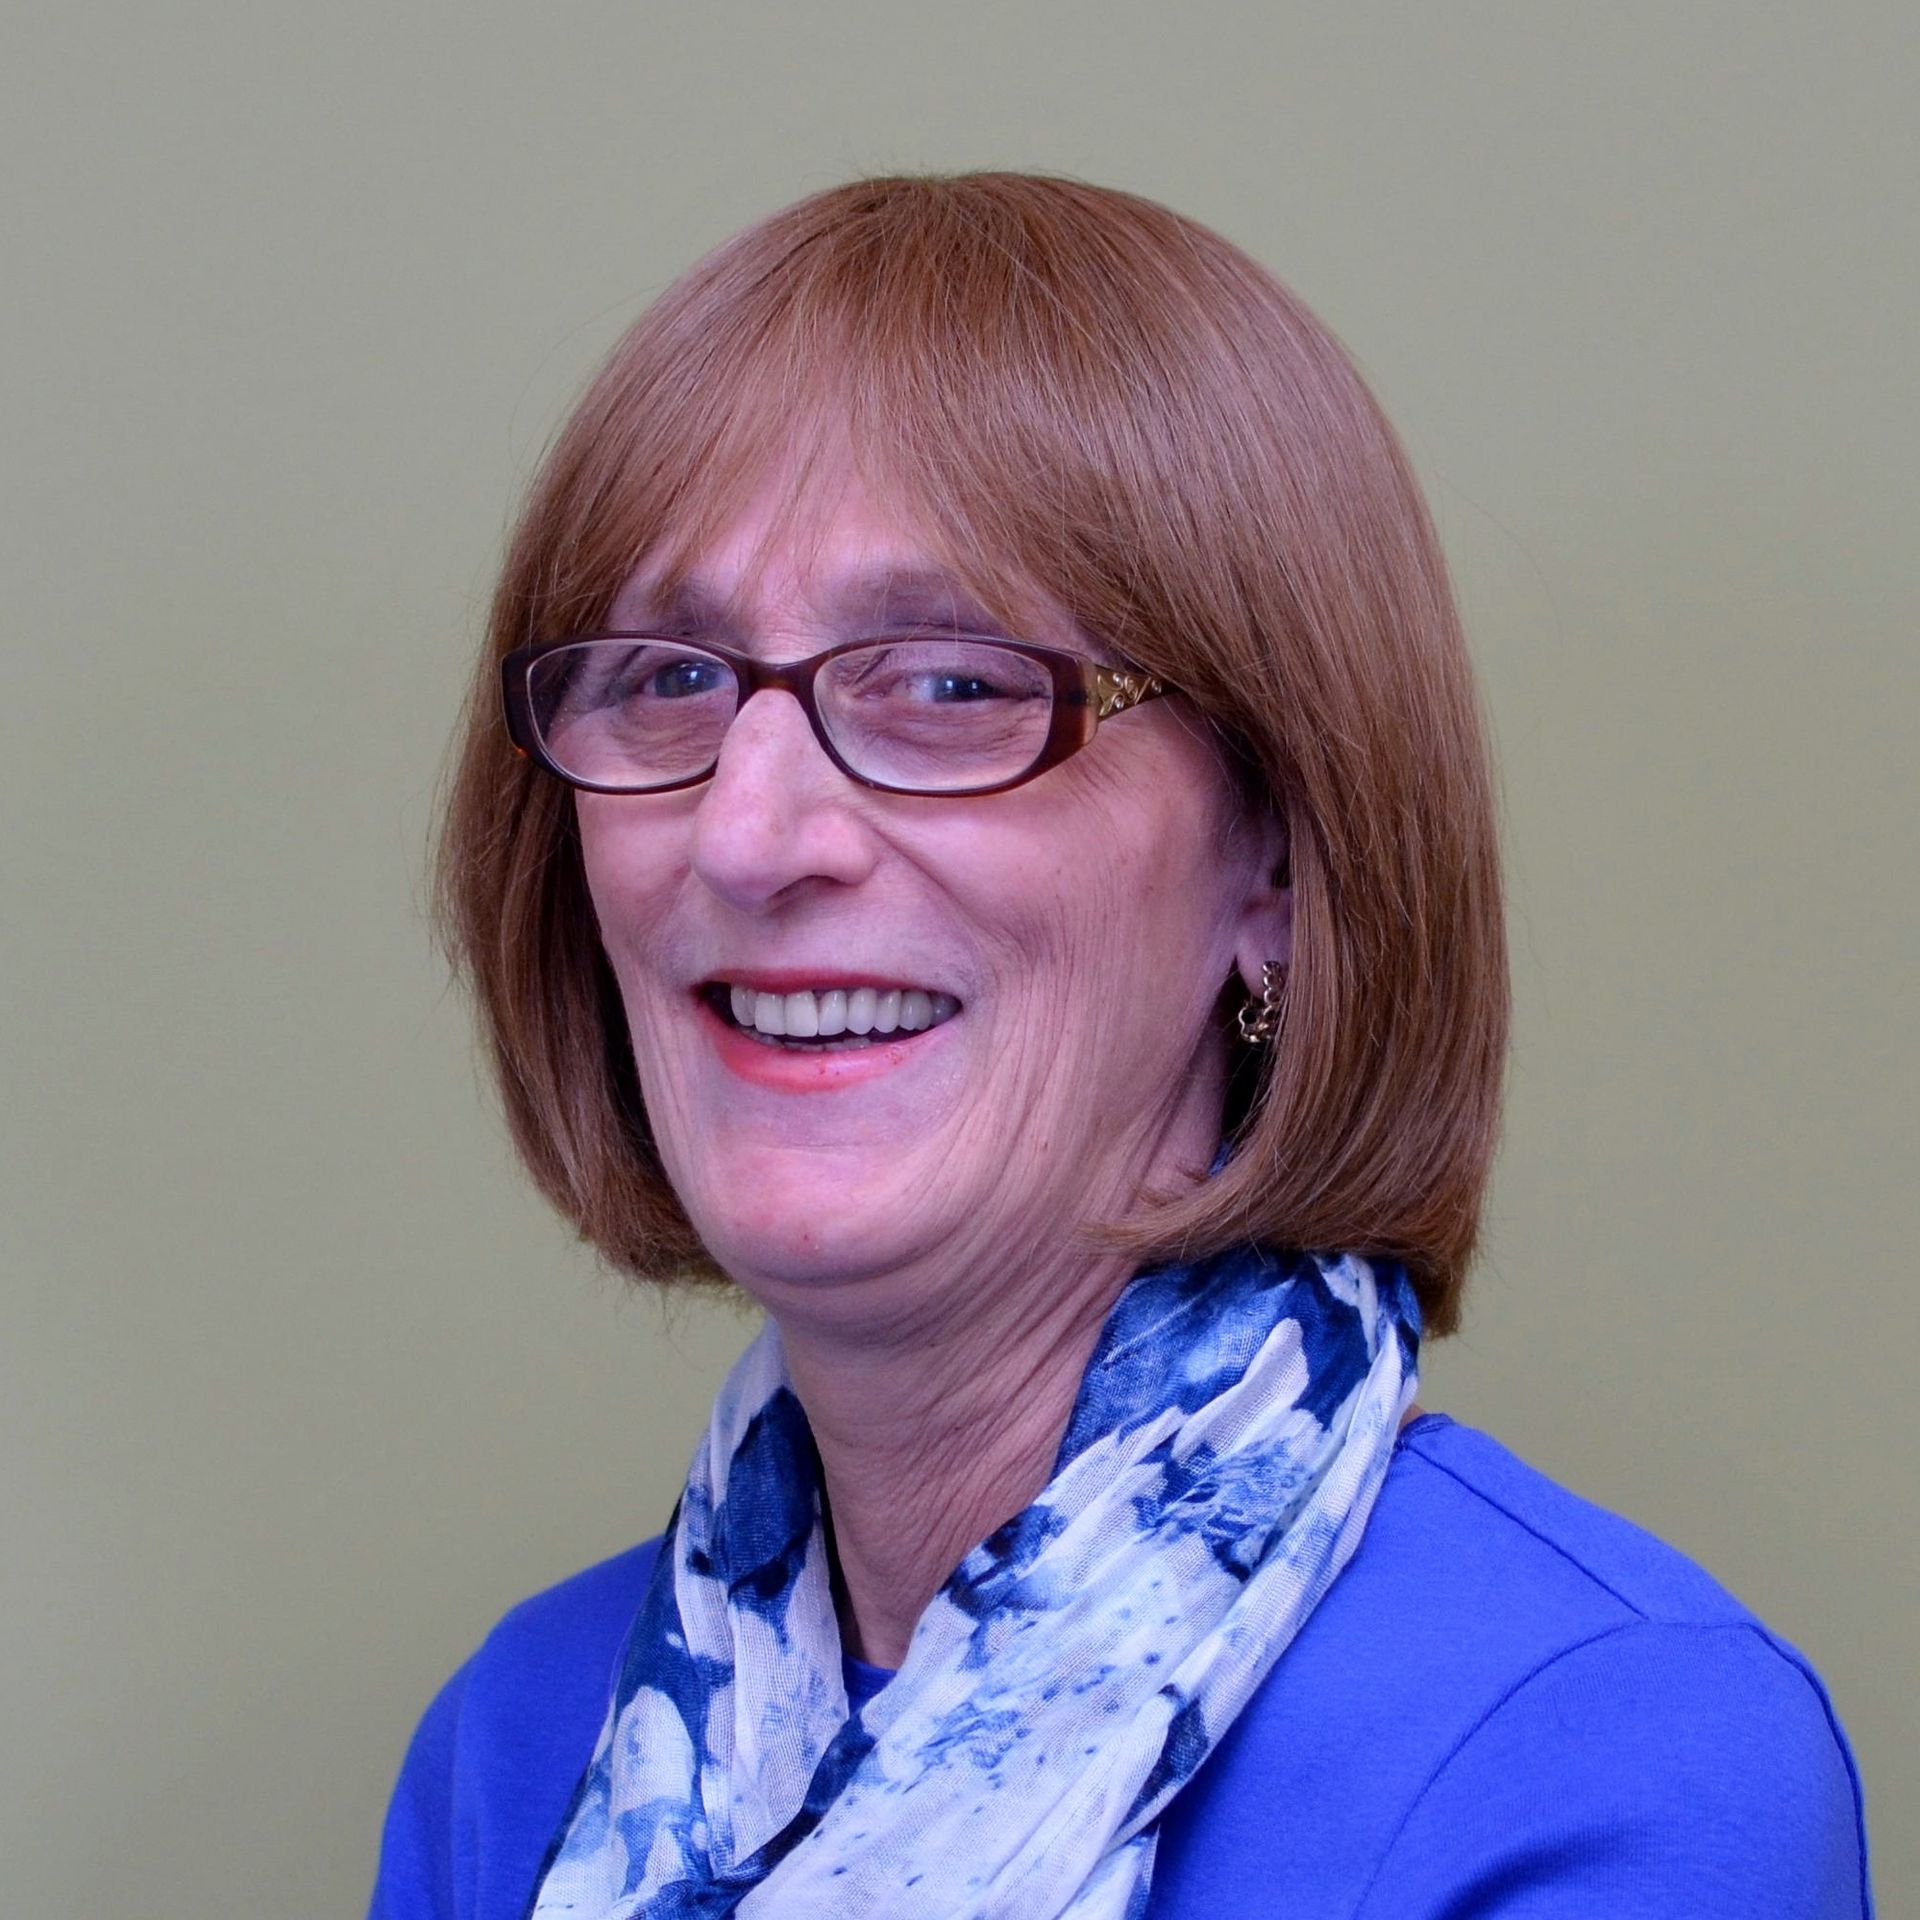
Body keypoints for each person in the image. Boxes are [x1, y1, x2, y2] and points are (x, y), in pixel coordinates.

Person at [369, 173, 1873, 1918]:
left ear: (1277, 862)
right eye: (671, 681)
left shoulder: (1599, 1759)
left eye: (951, 683)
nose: (750, 835)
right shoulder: (517, 1753)